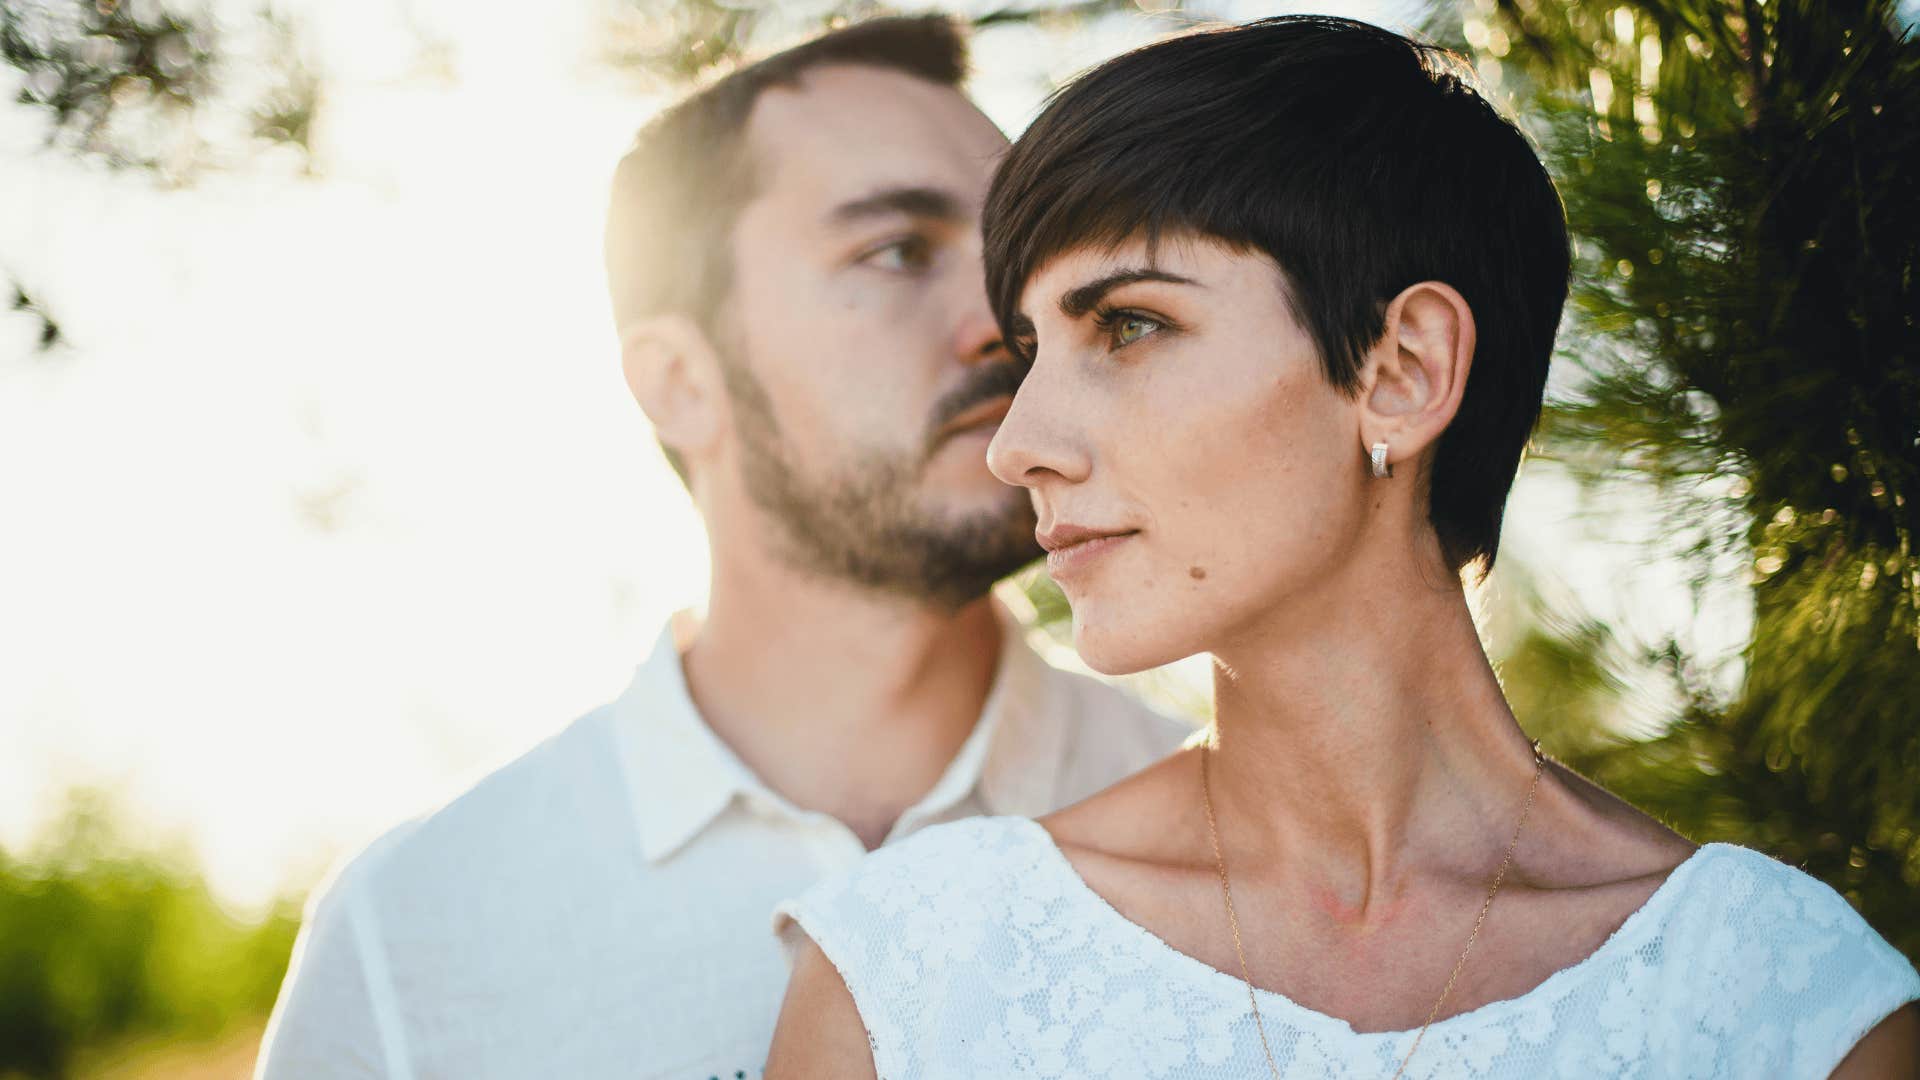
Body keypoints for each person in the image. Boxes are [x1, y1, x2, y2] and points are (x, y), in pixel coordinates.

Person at [767, 16, 1920, 1079]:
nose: (1017, 448)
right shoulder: (912, 971)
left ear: (1402, 371)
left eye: (1128, 325)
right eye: (1031, 354)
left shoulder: (1791, 1008)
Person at [254, 16, 1187, 1079]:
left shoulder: (1235, 839)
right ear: (679, 383)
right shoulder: (414, 928)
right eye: (894, 251)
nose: (1007, 323)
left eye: (1016, 257)